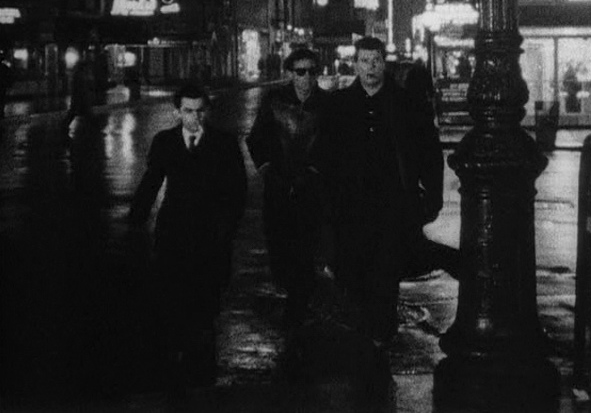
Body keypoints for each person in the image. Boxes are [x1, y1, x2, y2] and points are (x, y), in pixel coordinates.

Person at [318, 37, 444, 355]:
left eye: (376, 61)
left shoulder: (405, 103)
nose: (370, 68)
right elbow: (325, 155)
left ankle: (381, 333)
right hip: (351, 205)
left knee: (387, 269)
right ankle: (363, 327)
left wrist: (432, 195)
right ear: (355, 64)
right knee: (354, 268)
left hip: (393, 204)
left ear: (383, 63)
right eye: (364, 61)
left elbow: (429, 151)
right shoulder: (339, 104)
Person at [128, 82, 247, 396]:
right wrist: (136, 219)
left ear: (208, 110)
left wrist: (227, 227)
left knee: (207, 298)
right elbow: (152, 179)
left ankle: (201, 366)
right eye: (188, 111)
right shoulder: (165, 141)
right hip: (174, 231)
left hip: (211, 235)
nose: (195, 117)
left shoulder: (223, 143)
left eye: (199, 111)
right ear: (178, 112)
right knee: (173, 292)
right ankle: (178, 353)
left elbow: (237, 189)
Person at [245, 47, 331, 332]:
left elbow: (335, 145)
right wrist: (268, 169)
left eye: (311, 71)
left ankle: (297, 311)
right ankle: (295, 294)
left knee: (305, 252)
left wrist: (316, 172)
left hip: (311, 190)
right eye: (300, 71)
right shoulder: (275, 101)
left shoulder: (327, 104)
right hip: (278, 189)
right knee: (280, 251)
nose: (306, 78)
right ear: (291, 73)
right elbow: (257, 138)